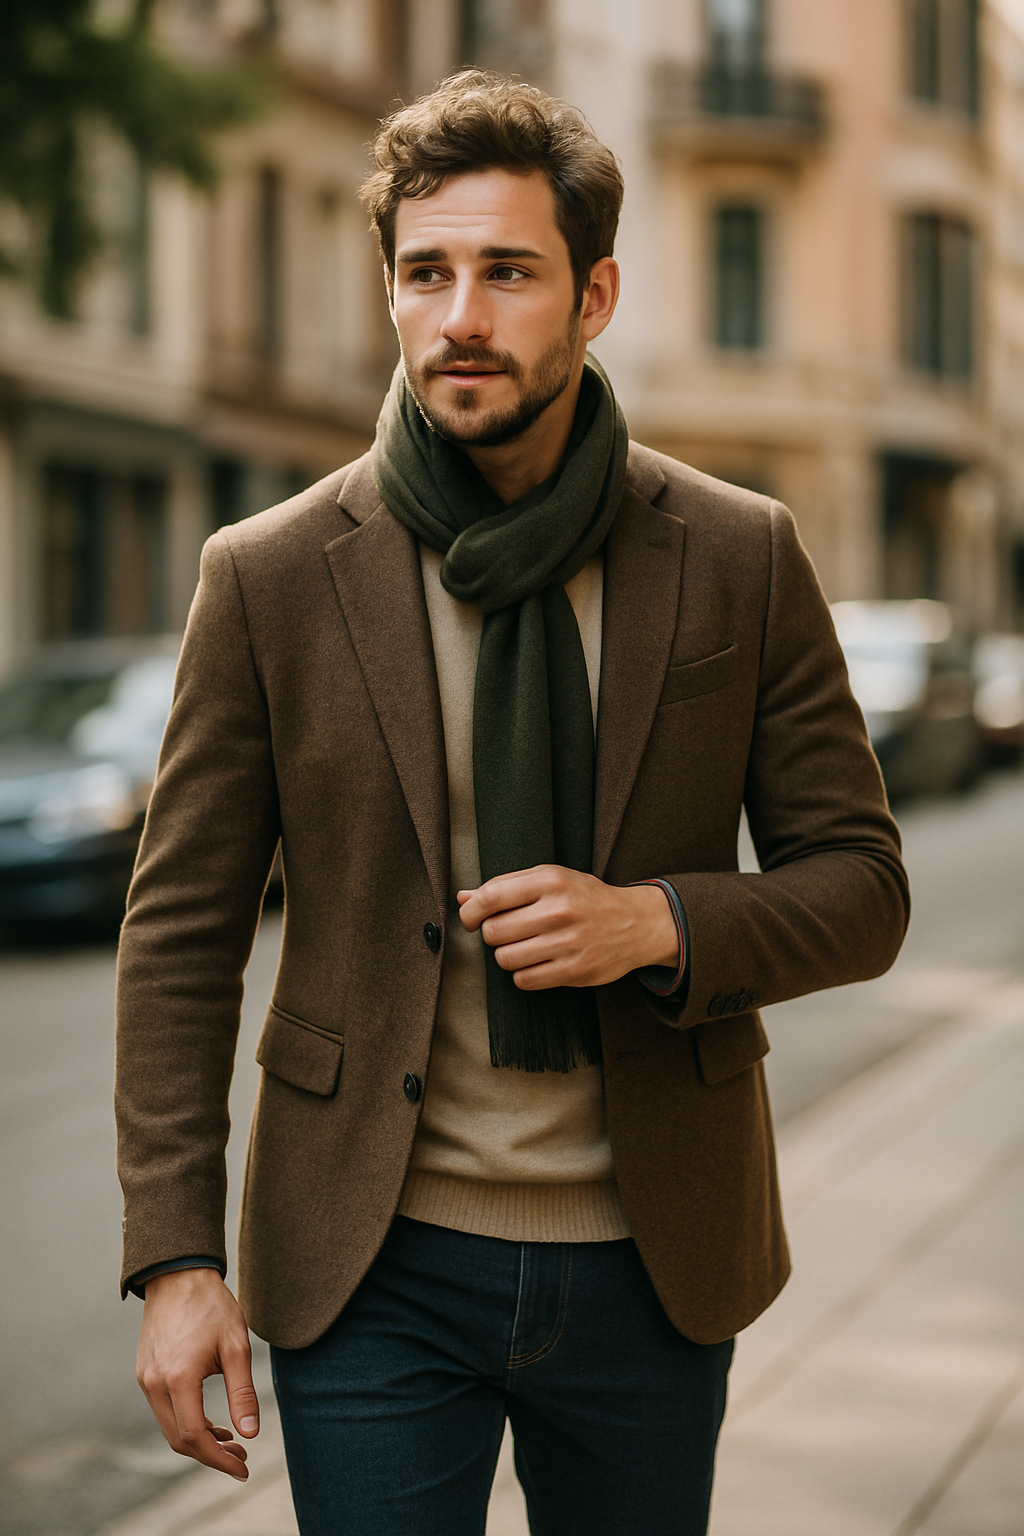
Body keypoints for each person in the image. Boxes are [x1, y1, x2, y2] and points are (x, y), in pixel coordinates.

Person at [115, 71, 909, 1536]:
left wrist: (659, 924)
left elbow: (862, 885)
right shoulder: (271, 575)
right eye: (426, 272)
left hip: (653, 1257)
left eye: (508, 272)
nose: (460, 315)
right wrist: (175, 1258)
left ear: (593, 296)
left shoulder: (736, 553)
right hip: (371, 1264)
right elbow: (179, 937)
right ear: (391, 291)